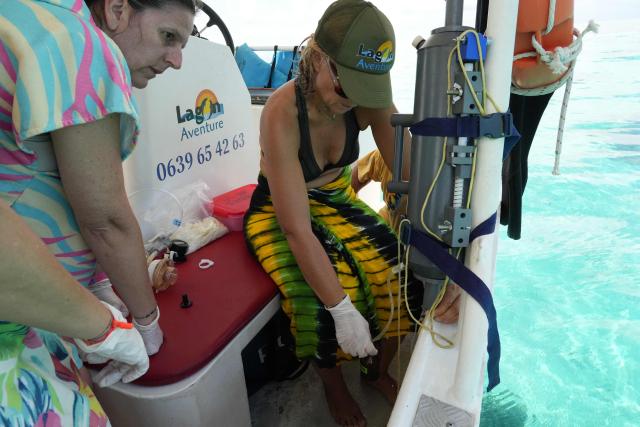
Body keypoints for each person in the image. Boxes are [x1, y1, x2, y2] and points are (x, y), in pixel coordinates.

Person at [244, 1, 456, 425]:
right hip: (281, 209)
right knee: (317, 300)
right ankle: (333, 387)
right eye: (346, 88)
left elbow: (415, 177)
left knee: (404, 281)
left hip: (338, 195)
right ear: (319, 58)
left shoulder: (366, 93)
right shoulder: (281, 113)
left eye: (366, 90)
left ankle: (374, 371)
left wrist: (449, 260)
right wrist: (341, 308)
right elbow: (296, 228)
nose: (352, 101)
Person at [0, 0, 196, 423]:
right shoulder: (80, 44)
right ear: (118, 9)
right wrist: (146, 325)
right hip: (18, 320)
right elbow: (104, 219)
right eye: (168, 37)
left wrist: (102, 279)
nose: (177, 60)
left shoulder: (33, 17)